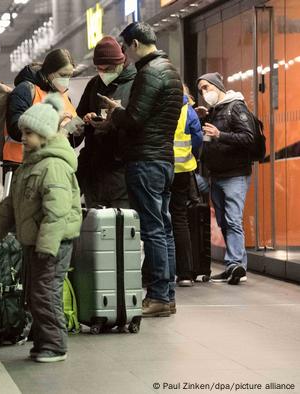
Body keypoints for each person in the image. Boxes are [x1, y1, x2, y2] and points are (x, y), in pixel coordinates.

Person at [0, 93, 82, 363]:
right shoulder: (29, 166)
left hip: (52, 244)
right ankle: (42, 341)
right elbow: (8, 207)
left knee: (45, 292)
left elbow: (58, 211)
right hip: (34, 242)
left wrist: (47, 247)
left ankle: (55, 344)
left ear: (45, 134)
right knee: (34, 292)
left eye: (29, 133)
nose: (23, 137)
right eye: (23, 132)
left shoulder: (54, 166)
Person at [100, 22, 182, 317]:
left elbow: (134, 119)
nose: (125, 53)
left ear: (135, 44)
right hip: (163, 159)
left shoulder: (150, 73)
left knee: (153, 230)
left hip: (145, 160)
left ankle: (159, 295)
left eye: (125, 47)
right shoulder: (170, 69)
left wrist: (115, 111)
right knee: (164, 229)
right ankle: (167, 295)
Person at [195, 72, 255, 285]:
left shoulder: (236, 107)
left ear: (217, 86)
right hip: (217, 175)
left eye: (206, 87)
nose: (204, 93)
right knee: (223, 221)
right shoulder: (214, 111)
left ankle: (236, 264)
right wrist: (202, 118)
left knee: (233, 219)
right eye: (201, 89)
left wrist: (221, 135)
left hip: (235, 175)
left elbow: (249, 137)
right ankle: (235, 266)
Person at [73, 35, 136, 209]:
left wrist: (115, 120)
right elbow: (79, 118)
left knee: (122, 228)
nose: (103, 73)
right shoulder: (94, 85)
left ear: (120, 62)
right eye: (99, 69)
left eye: (108, 68)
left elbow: (140, 123)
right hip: (95, 170)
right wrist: (85, 121)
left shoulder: (136, 83)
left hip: (122, 171)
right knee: (98, 230)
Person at [5, 49, 77, 167]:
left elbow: (71, 142)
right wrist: (53, 124)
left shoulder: (64, 97)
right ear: (49, 71)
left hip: (54, 163)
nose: (66, 81)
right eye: (63, 75)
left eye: (70, 76)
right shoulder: (25, 90)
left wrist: (77, 132)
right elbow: (15, 128)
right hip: (21, 164)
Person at [170, 84, 203, 287]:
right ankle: (185, 274)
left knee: (159, 221)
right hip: (182, 171)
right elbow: (197, 139)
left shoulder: (160, 107)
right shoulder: (188, 111)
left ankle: (162, 273)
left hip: (161, 169)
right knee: (179, 220)